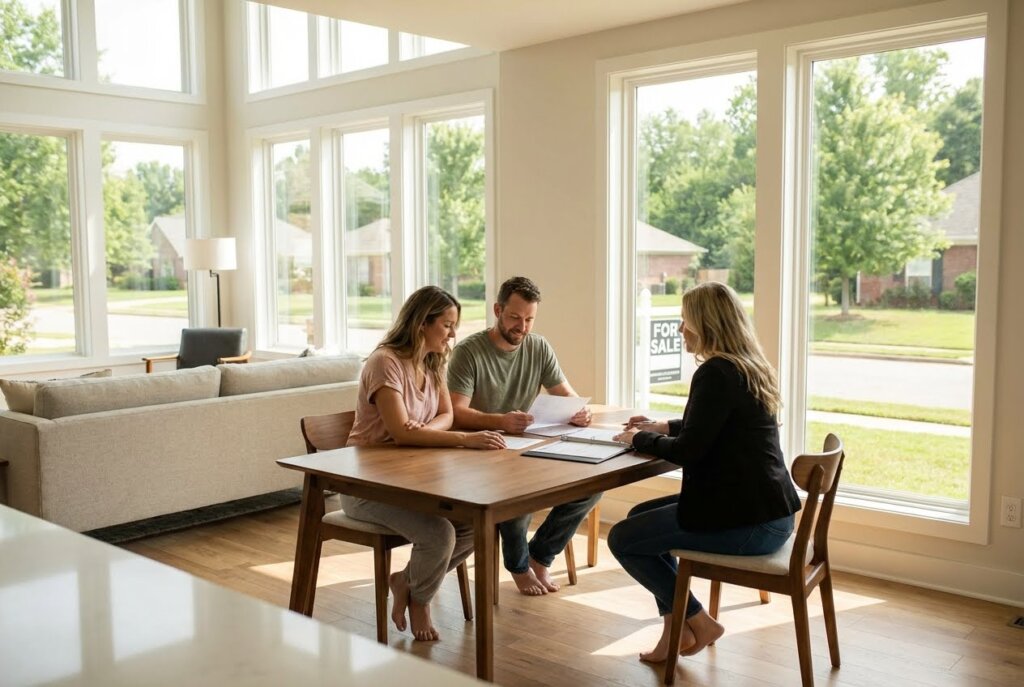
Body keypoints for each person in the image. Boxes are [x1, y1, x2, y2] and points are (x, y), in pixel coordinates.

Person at [608, 281, 801, 662]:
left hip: (749, 525)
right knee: (637, 518)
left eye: (685, 321)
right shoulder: (747, 366)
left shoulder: (715, 373)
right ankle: (674, 632)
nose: (680, 329)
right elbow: (714, 425)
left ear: (706, 324)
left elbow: (690, 452)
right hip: (771, 514)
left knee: (622, 539)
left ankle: (697, 619)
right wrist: (662, 426)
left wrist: (639, 439)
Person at [345, 285, 506, 642]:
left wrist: (425, 429)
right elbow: (402, 433)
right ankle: (421, 601)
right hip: (365, 486)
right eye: (447, 325)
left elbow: (446, 414)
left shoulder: (432, 361)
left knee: (471, 526)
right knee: (439, 533)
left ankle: (407, 582)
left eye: (454, 325)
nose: (453, 334)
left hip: (411, 478)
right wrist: (464, 439)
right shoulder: (385, 362)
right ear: (422, 324)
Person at [447, 276, 601, 597]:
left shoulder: (538, 346)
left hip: (525, 445)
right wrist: (501, 421)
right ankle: (518, 567)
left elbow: (566, 395)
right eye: (515, 318)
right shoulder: (468, 352)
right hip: (482, 449)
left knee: (591, 484)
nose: (522, 327)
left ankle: (539, 556)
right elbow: (456, 412)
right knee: (520, 490)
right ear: (498, 310)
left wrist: (578, 412)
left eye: (529, 319)